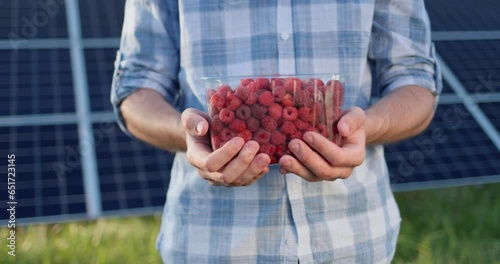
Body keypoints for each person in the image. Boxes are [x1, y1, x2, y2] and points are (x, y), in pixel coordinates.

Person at [111, 0, 441, 263]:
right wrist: (194, 134)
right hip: (211, 246)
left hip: (354, 242)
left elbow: (415, 80)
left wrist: (363, 127)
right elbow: (137, 88)